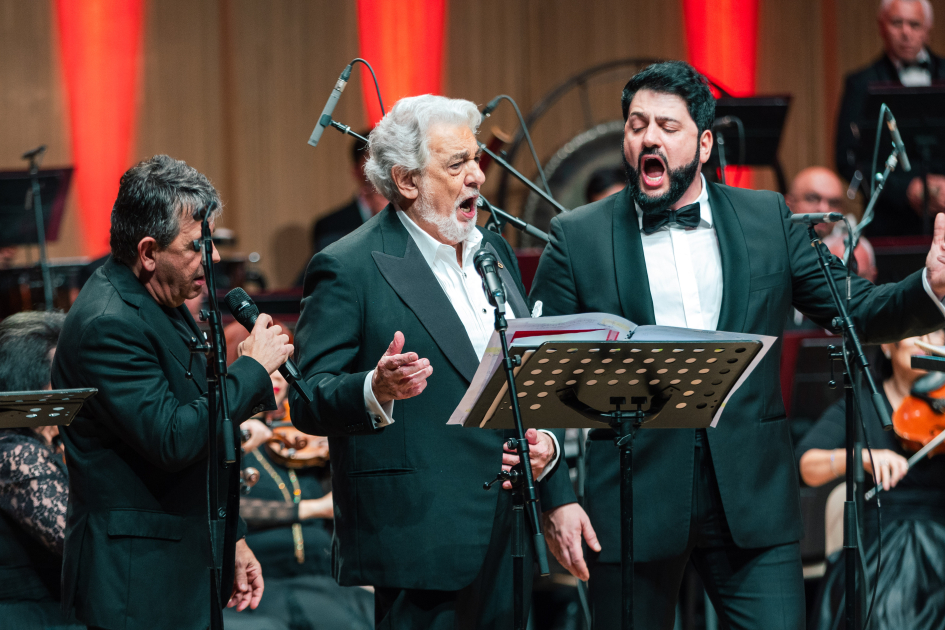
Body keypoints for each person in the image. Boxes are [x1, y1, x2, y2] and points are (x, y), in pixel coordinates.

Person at [530, 60, 945, 629]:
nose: (648, 137)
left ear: (703, 144)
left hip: (752, 501)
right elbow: (537, 376)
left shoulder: (767, 218)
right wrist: (556, 497)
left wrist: (929, 288)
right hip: (633, 502)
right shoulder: (578, 236)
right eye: (636, 124)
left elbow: (859, 310)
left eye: (667, 126)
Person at [289, 94, 560, 630]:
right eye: (457, 164)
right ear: (407, 181)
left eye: (475, 158)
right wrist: (374, 388)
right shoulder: (347, 265)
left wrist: (545, 443)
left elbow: (518, 375)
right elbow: (307, 397)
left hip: (507, 531)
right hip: (418, 536)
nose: (477, 175)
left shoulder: (494, 251)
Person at [51, 155, 295, 629]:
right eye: (197, 245)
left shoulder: (160, 295)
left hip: (184, 566)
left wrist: (233, 537)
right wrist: (251, 369)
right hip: (136, 585)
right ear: (148, 252)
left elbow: (204, 424)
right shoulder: (107, 324)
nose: (214, 257)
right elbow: (173, 439)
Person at [222, 321, 374, 630]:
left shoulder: (300, 441)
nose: (278, 376)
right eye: (268, 364)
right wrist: (313, 508)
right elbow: (232, 509)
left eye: (284, 366)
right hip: (268, 577)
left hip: (323, 576)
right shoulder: (228, 440)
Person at [796, 330, 945, 628]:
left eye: (936, 333)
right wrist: (860, 457)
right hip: (881, 547)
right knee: (887, 608)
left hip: (941, 540)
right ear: (888, 347)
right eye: (917, 332)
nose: (927, 341)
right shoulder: (861, 405)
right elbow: (805, 464)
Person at [0, 311, 83, 629]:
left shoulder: (46, 441)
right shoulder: (15, 452)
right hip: (33, 618)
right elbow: (78, 544)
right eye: (66, 372)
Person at [835, 0, 945, 237]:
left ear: (928, 30)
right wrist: (906, 189)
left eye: (914, 24)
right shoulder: (861, 84)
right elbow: (847, 159)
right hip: (889, 225)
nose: (906, 33)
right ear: (882, 27)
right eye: (897, 23)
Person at [310, 132, 388, 255]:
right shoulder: (329, 226)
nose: (383, 169)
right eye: (374, 161)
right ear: (356, 171)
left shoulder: (411, 216)